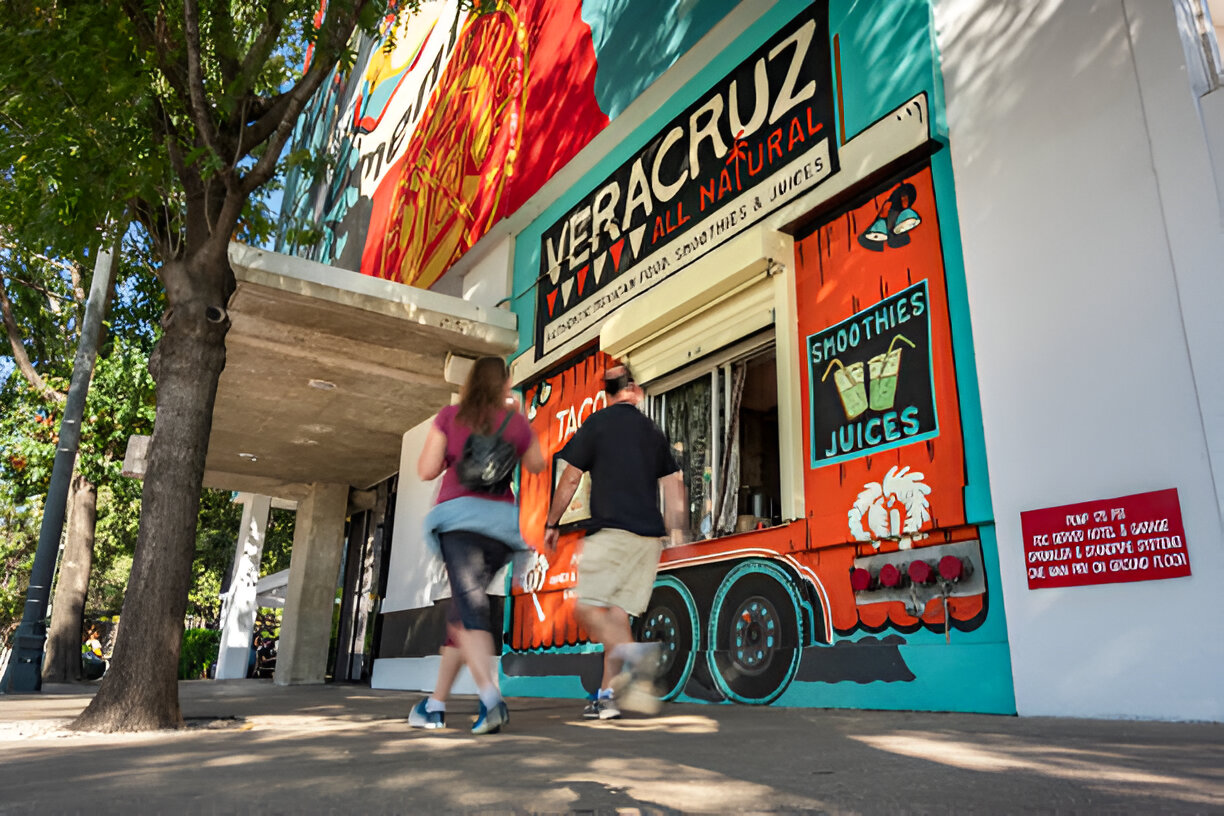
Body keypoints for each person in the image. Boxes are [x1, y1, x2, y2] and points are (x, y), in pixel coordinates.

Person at [543, 362, 686, 719]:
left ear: (606, 393)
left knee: (586, 608)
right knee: (618, 616)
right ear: (633, 390)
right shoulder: (652, 431)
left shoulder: (597, 424)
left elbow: (570, 479)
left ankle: (637, 661)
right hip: (648, 541)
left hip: (612, 534)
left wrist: (552, 521)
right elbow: (673, 484)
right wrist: (677, 532)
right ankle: (607, 696)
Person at [417, 355, 544, 734]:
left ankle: (491, 699)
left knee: (470, 613)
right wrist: (517, 425)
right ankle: (434, 706)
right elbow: (536, 464)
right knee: (461, 615)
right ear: (505, 384)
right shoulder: (516, 422)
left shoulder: (450, 416)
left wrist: (452, 461)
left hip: (459, 526)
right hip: (501, 532)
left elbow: (425, 469)